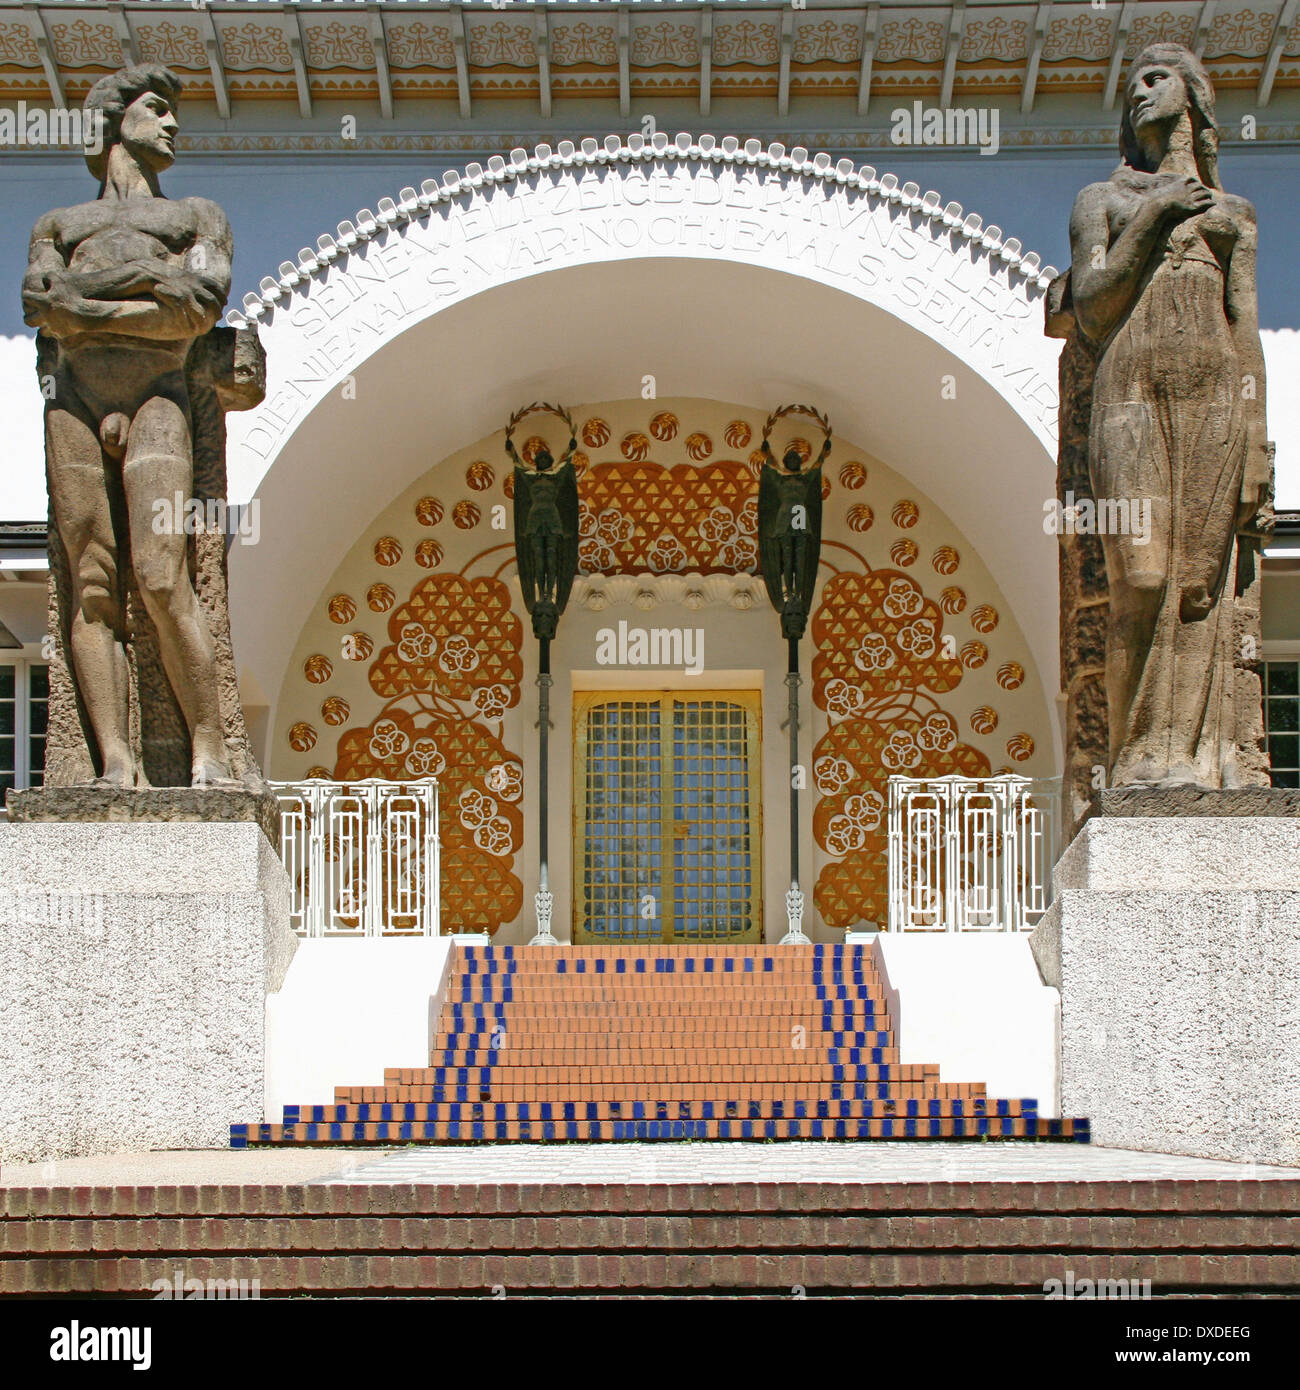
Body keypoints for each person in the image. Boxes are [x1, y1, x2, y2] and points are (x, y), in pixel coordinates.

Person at [23, 64, 234, 788]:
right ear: (115, 119)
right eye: (157, 109)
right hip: (74, 400)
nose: (171, 123)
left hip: (158, 393)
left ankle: (209, 749)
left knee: (159, 572)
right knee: (91, 579)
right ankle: (116, 761)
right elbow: (42, 305)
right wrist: (146, 285)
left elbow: (196, 308)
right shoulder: (58, 225)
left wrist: (87, 308)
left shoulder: (196, 217)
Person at [1065, 44, 1269, 787]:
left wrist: (1258, 442)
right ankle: (1136, 754)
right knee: (1141, 572)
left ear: (1193, 97)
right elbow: (1092, 306)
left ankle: (1203, 759)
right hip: (1131, 389)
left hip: (1215, 392)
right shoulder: (1104, 200)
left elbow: (1245, 326)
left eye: (1156, 80)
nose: (1140, 94)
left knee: (1198, 582)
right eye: (1132, 85)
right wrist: (1152, 216)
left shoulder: (1233, 214)